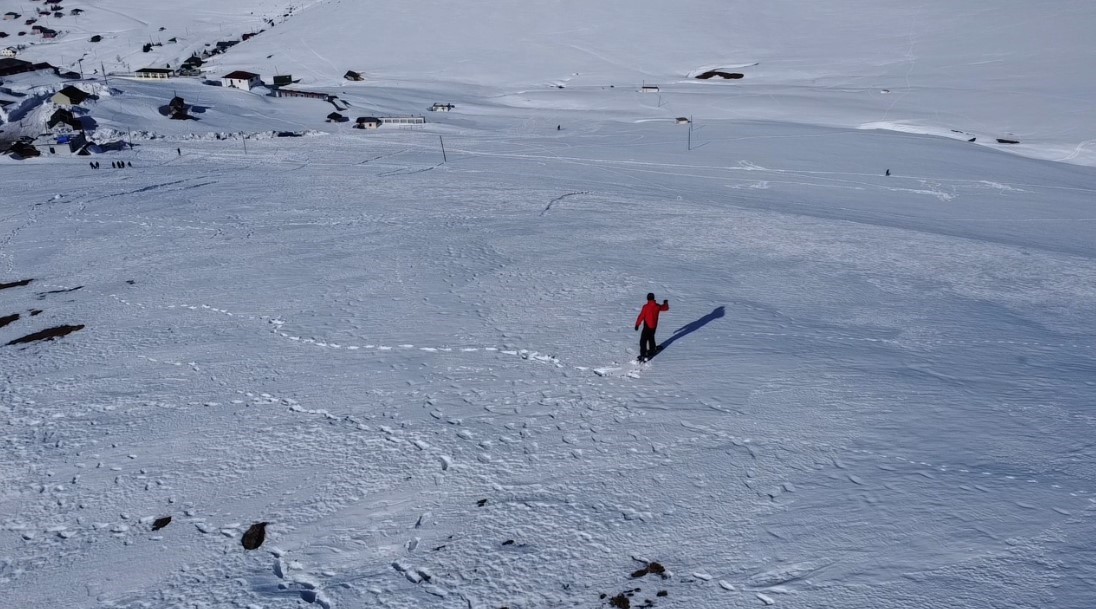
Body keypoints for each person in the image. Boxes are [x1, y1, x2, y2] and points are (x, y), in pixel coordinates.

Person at [634, 292, 669, 362]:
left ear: (647, 298)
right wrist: (666, 303)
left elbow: (641, 316)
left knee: (643, 340)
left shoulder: (646, 307)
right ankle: (652, 349)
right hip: (654, 327)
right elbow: (665, 308)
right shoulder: (657, 306)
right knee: (651, 337)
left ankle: (644, 354)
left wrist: (637, 324)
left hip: (647, 326)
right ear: (653, 298)